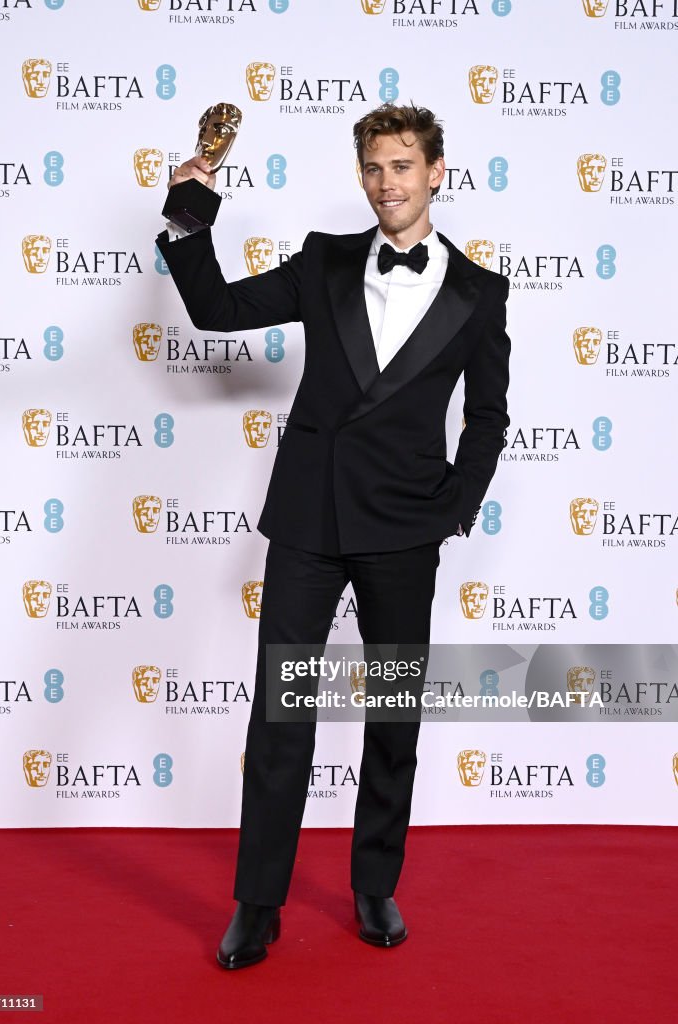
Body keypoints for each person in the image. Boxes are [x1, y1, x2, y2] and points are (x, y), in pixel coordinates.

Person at [155, 102, 511, 969]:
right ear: (362, 176)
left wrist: (451, 507)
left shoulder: (477, 293)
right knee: (282, 713)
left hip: (401, 530)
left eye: (402, 165)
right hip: (310, 521)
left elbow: (489, 419)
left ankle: (373, 884)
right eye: (373, 167)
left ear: (435, 173)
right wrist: (187, 213)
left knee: (391, 713)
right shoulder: (324, 261)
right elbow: (213, 309)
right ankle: (257, 903)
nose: (386, 182)